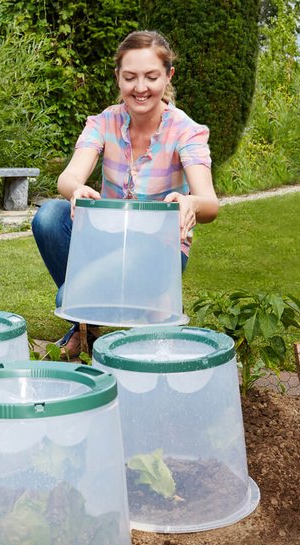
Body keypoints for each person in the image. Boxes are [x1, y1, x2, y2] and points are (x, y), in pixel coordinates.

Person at [31, 30, 219, 357]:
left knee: (68, 299)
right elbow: (68, 177)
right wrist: (77, 190)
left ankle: (93, 313)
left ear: (168, 76)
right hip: (107, 237)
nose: (140, 88)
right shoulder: (105, 122)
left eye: (151, 77)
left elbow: (210, 204)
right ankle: (87, 324)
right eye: (130, 77)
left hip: (158, 248)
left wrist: (189, 201)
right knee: (49, 216)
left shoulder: (185, 131)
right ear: (118, 77)